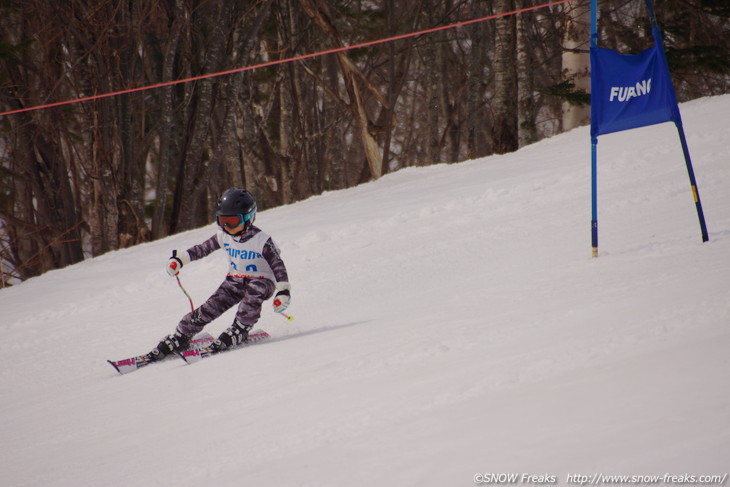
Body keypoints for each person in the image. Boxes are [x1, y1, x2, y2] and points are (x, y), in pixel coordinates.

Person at [147, 188, 291, 360]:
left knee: (254, 291)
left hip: (263, 281)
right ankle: (182, 335)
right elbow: (202, 249)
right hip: (236, 279)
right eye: (222, 221)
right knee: (210, 307)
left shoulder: (261, 240)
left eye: (232, 221)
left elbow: (278, 265)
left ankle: (240, 329)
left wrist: (283, 291)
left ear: (249, 217)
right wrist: (180, 260)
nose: (227, 227)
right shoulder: (223, 236)